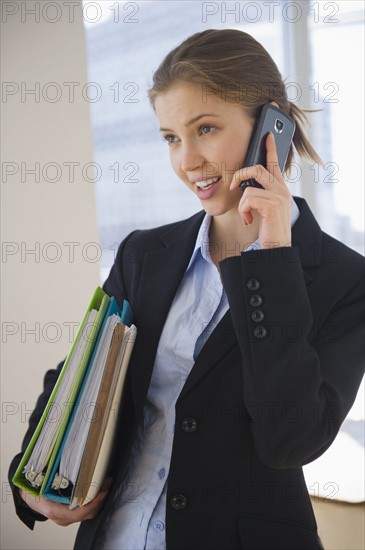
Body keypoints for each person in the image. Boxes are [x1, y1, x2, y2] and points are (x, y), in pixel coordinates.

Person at [9, 28, 364, 550]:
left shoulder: (344, 280)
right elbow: (78, 376)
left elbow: (290, 438)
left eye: (206, 128)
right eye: (172, 138)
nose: (187, 161)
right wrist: (33, 478)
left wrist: (271, 260)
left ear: (273, 125)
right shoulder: (143, 255)